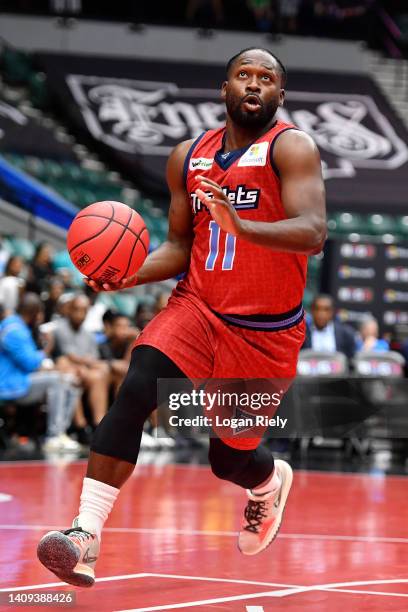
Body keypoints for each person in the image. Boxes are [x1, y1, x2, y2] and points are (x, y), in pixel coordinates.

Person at [37, 47, 326, 586]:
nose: (254, 85)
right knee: (139, 382)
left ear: (280, 96)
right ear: (224, 89)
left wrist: (244, 228)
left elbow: (313, 231)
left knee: (229, 460)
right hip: (197, 306)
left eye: (267, 79)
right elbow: (178, 246)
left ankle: (266, 484)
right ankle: (84, 534)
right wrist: (129, 274)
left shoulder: (292, 148)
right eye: (244, 76)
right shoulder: (187, 156)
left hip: (264, 334)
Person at [0, 293, 81, 452]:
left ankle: (61, 433)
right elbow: (31, 364)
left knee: (70, 380)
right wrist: (48, 347)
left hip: (19, 379)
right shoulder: (14, 330)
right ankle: (54, 436)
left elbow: (28, 363)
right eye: (40, 312)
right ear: (34, 312)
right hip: (9, 386)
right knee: (57, 381)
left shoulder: (16, 326)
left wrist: (52, 368)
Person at [52, 294, 110, 427]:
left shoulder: (88, 334)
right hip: (64, 370)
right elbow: (69, 356)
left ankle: (99, 423)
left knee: (98, 376)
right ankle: (80, 425)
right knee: (73, 373)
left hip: (84, 371)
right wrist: (86, 363)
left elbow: (94, 359)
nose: (80, 314)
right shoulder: (60, 328)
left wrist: (88, 365)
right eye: (77, 309)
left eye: (84, 311)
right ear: (69, 310)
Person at [303, 294, 357, 359]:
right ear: (311, 310)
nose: (321, 314)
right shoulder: (302, 333)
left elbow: (351, 361)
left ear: (333, 311)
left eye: (326, 309)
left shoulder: (346, 334)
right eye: (317, 309)